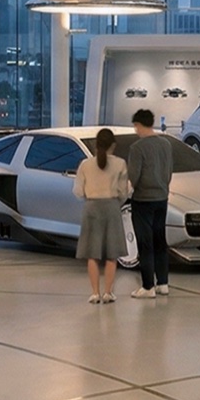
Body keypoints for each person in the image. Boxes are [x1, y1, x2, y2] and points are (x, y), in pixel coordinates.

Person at [123, 109, 178, 299]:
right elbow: (169, 170)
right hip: (162, 198)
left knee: (145, 243)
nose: (135, 130)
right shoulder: (166, 144)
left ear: (138, 124)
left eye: (135, 126)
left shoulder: (137, 148)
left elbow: (134, 177)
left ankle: (148, 286)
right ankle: (163, 283)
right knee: (160, 241)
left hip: (143, 200)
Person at [75, 128, 132, 304]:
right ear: (113, 145)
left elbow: (77, 191)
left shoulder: (85, 164)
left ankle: (94, 293)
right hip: (112, 206)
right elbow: (125, 191)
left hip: (91, 207)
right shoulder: (120, 164)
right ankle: (108, 292)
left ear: (96, 144)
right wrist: (117, 202)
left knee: (92, 253)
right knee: (111, 254)